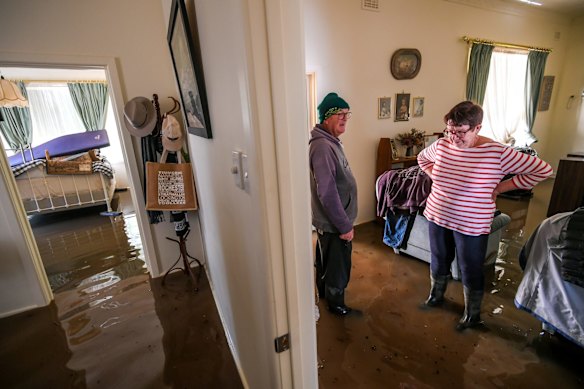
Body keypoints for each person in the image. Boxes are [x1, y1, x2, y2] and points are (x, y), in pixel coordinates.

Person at [417, 101, 552, 330]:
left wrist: (500, 188)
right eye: (450, 130)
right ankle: (436, 297)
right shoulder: (441, 145)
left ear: (477, 128)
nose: (453, 137)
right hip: (438, 214)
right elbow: (422, 159)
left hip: (471, 222)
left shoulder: (496, 152)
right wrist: (436, 177)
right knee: (439, 259)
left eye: (460, 132)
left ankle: (472, 315)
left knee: (471, 268)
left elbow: (543, 170)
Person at [309, 92, 358, 316]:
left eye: (347, 114)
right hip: (334, 223)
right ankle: (337, 307)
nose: (344, 118)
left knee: (327, 261)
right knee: (337, 266)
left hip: (332, 222)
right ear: (326, 117)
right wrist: (344, 226)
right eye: (340, 113)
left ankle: (328, 298)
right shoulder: (323, 147)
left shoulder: (330, 142)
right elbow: (327, 193)